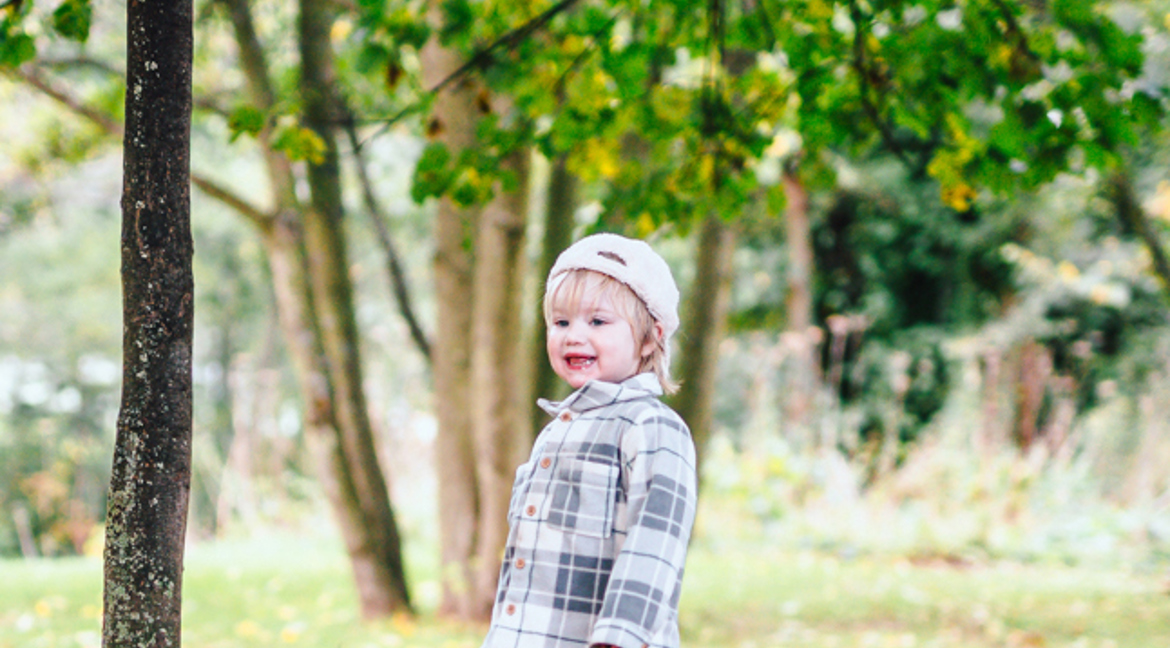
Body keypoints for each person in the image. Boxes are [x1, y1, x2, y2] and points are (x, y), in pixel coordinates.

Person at [481, 233, 698, 648]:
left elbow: (656, 541)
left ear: (650, 336)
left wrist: (620, 636)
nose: (573, 336)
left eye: (598, 321)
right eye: (561, 322)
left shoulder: (651, 426)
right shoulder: (557, 431)